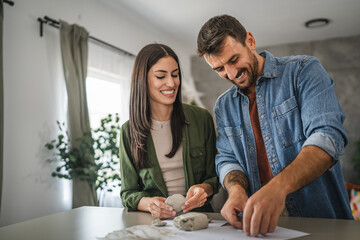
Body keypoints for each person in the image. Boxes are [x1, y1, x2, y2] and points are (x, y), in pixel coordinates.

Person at [197, 15, 353, 236]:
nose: (231, 74)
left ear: (250, 41)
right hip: (259, 227)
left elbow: (327, 136)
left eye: (233, 60)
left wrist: (277, 188)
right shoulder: (223, 106)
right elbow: (227, 158)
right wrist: (236, 190)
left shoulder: (303, 71)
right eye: (219, 68)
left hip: (321, 222)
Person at [120, 43, 219, 219]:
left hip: (198, 221)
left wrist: (203, 189)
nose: (171, 83)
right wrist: (149, 204)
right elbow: (128, 193)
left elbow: (213, 178)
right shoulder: (128, 131)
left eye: (175, 75)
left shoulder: (201, 119)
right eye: (161, 76)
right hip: (154, 224)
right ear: (143, 80)